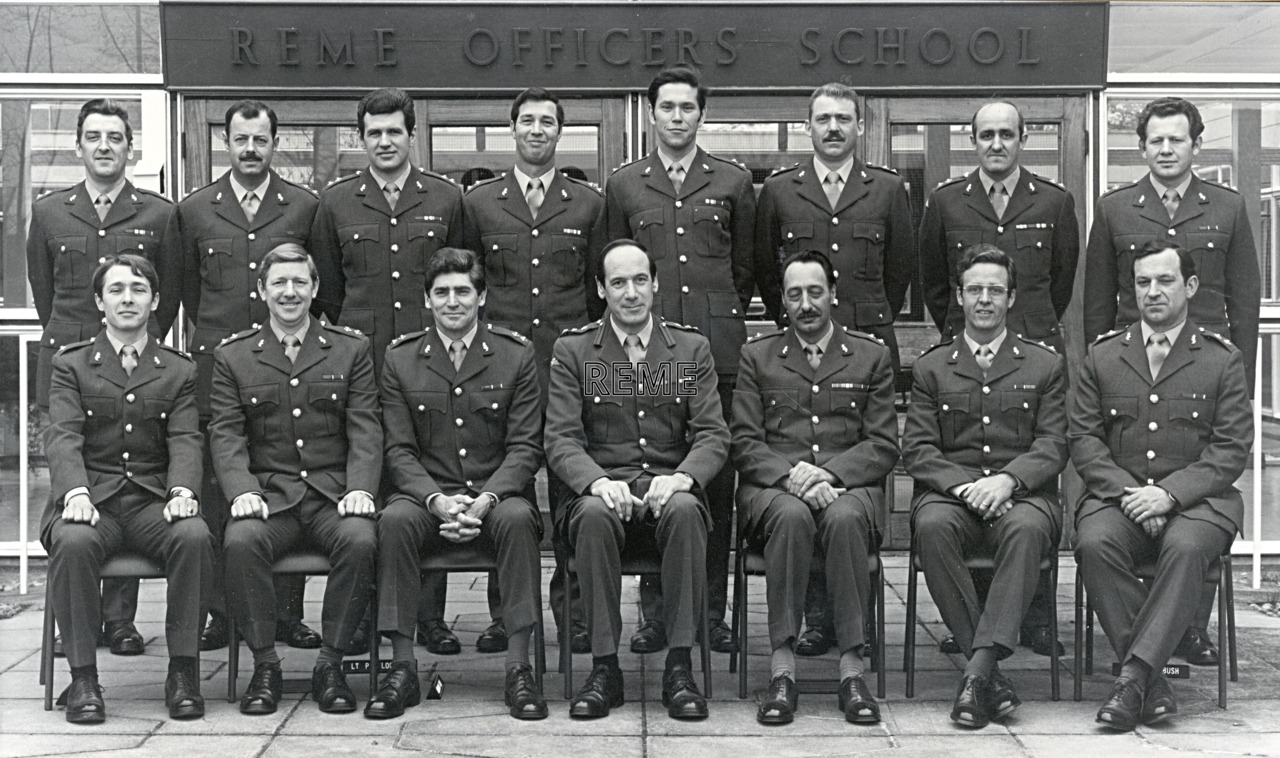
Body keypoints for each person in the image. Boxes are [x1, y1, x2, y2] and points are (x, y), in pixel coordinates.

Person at [1083, 97, 1259, 665]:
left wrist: (1243, 384)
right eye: (1155, 141)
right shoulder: (1115, 210)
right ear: (1141, 148)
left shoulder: (1228, 208)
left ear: (1195, 146)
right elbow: (1097, 306)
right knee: (1128, 516)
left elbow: (1244, 303)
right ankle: (1163, 637)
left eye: (1176, 140)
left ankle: (1188, 628)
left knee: (1192, 510)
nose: (1165, 150)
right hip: (1135, 369)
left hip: (1204, 374)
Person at [603, 65, 763, 656]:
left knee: (711, 486)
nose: (676, 116)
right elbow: (617, 262)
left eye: (687, 107)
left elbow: (744, 269)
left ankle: (710, 614)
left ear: (702, 114)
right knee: (649, 466)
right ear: (651, 114)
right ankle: (655, 615)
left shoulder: (733, 181)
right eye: (666, 107)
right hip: (642, 354)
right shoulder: (624, 185)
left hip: (714, 354)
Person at [755, 82, 914, 654]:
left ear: (860, 127)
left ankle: (856, 625)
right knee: (803, 489)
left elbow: (900, 271)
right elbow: (766, 272)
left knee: (854, 490)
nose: (833, 128)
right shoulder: (778, 191)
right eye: (822, 119)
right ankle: (817, 619)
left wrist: (864, 321)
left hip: (866, 347)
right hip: (796, 352)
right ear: (808, 127)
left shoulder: (889, 189)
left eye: (844, 119)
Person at [918, 100, 1079, 658]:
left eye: (1006, 134)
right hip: (967, 357)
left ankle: (1036, 621)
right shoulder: (944, 201)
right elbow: (934, 282)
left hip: (1030, 356)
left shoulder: (1055, 201)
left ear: (1023, 138)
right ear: (972, 140)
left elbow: (1059, 284)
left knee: (1034, 494)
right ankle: (984, 623)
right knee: (967, 499)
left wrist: (1027, 330)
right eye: (985, 134)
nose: (996, 143)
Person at [309, 88, 466, 654]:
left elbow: (458, 281)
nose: (383, 142)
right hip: (362, 366)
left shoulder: (447, 200)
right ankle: (364, 618)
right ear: (361, 137)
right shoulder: (336, 203)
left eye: (393, 131)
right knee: (366, 487)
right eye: (373, 133)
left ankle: (429, 617)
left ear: (411, 134)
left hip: (429, 369)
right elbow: (327, 290)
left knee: (430, 475)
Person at [545, 240, 729, 720]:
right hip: (606, 496)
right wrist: (596, 481)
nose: (631, 293)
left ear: (655, 284)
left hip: (669, 494)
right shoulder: (574, 351)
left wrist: (686, 477)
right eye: (619, 283)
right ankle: (605, 668)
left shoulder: (690, 348)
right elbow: (561, 438)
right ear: (602, 289)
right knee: (589, 514)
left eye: (640, 280)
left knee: (689, 510)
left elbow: (712, 433)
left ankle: (680, 665)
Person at [162, 99, 321, 652]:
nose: (250, 149)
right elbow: (184, 290)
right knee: (217, 492)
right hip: (219, 373)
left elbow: (315, 287)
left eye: (260, 139)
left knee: (289, 478)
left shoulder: (303, 207)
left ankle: (286, 615)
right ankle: (220, 613)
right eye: (240, 139)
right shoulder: (196, 210)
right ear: (225, 143)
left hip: (288, 369)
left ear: (276, 143)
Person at [1073, 241, 1250, 731]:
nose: (1152, 291)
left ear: (1190, 286)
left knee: (1186, 546)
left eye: (1165, 280)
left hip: (1200, 504)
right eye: (1143, 282)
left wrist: (1169, 494)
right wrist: (1133, 495)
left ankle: (1132, 678)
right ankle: (1154, 681)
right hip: (1120, 499)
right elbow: (1083, 438)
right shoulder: (1103, 355)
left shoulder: (1222, 359)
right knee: (1093, 541)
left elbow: (1231, 448)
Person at [368, 247, 546, 720]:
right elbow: (398, 451)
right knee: (395, 520)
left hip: (497, 496)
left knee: (518, 519)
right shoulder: (401, 359)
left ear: (481, 296)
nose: (453, 302)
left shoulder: (516, 354)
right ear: (426, 300)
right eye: (441, 292)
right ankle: (402, 668)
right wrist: (437, 500)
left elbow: (526, 447)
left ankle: (519, 667)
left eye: (463, 291)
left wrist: (486, 498)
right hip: (428, 499)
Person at [28, 98, 176, 658]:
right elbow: (46, 295)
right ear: (79, 147)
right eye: (94, 137)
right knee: (75, 489)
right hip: (69, 371)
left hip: (136, 371)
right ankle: (75, 621)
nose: (105, 146)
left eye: (115, 137)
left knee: (130, 474)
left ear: (130, 147)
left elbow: (170, 292)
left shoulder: (158, 215)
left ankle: (119, 621)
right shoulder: (49, 213)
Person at [461, 86, 605, 655]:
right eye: (527, 121)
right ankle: (507, 615)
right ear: (512, 131)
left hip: (572, 371)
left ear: (559, 132)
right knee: (508, 493)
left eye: (548, 121)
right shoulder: (479, 204)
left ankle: (575, 616)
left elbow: (597, 297)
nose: (537, 130)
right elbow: (471, 288)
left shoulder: (588, 204)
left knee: (573, 494)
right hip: (504, 374)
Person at [210, 244, 381, 715]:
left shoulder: (350, 348)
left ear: (316, 288)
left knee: (362, 539)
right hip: (271, 498)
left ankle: (330, 663)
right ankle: (265, 664)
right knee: (241, 541)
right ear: (262, 290)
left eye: (299, 282)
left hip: (332, 497)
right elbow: (226, 434)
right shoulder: (235, 355)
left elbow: (365, 427)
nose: (290, 292)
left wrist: (361, 488)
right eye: (279, 283)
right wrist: (242, 491)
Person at [902, 244, 1068, 729]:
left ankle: (976, 674)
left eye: (995, 290)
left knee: (1026, 530)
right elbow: (918, 449)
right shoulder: (934, 367)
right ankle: (988, 671)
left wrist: (1009, 481)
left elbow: (1053, 443)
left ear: (1012, 298)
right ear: (959, 296)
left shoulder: (1043, 365)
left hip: (1022, 498)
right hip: (953, 500)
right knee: (931, 525)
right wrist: (964, 488)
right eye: (975, 289)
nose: (984, 299)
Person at [731, 250, 899, 725]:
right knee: (790, 514)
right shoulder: (757, 356)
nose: (806, 304)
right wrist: (792, 479)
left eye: (815, 292)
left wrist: (831, 474)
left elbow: (884, 444)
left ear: (833, 292)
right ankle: (783, 672)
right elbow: (744, 442)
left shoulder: (871, 356)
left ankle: (851, 671)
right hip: (775, 489)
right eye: (794, 294)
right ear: (781, 301)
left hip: (850, 487)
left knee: (844, 517)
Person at [42, 254, 212, 723]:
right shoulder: (71, 365)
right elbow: (63, 436)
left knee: (194, 536)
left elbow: (184, 438)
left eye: (138, 290)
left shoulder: (177, 369)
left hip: (153, 503)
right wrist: (74, 493)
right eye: (116, 290)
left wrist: (183, 492)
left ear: (156, 300)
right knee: (72, 542)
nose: (128, 299)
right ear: (99, 302)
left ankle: (183, 672)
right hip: (92, 501)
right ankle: (82, 679)